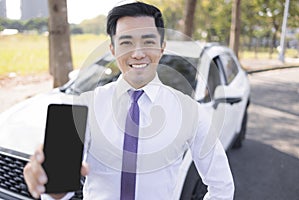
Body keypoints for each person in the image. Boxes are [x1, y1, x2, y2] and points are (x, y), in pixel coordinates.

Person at [23, 1, 235, 199]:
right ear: (113, 50)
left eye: (148, 41)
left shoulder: (190, 111)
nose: (138, 53)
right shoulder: (86, 105)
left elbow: (222, 185)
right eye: (126, 42)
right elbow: (58, 191)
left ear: (162, 48)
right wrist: (48, 182)